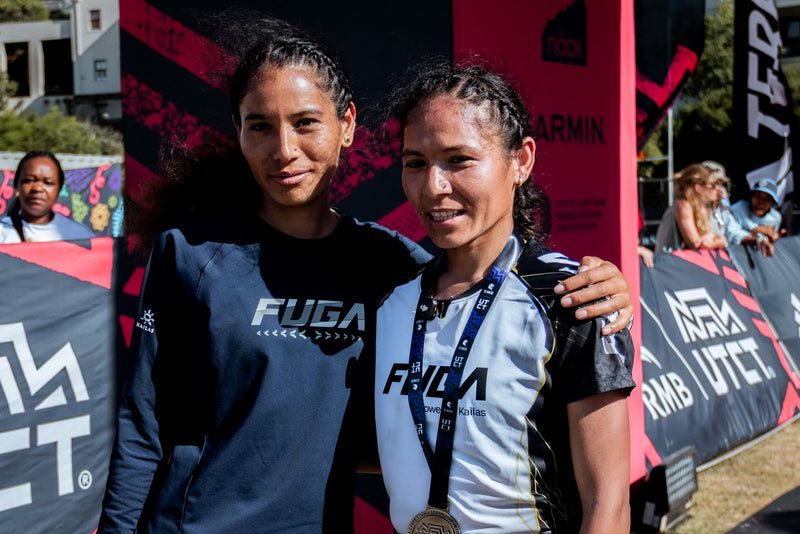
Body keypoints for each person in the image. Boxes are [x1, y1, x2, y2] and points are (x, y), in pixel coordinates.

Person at [98, 23, 634, 534]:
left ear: (347, 125)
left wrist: (608, 289)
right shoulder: (189, 255)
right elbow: (142, 428)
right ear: (238, 131)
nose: (284, 149)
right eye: (259, 125)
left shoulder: (394, 269)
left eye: (305, 122)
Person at [374, 64, 635, 534]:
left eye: (458, 159)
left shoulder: (572, 300)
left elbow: (608, 506)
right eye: (415, 163)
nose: (433, 186)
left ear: (521, 161)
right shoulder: (392, 299)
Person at [0, 150, 95, 243]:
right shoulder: (3, 233)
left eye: (48, 183)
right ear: (17, 185)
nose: (37, 188)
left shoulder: (80, 237)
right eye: (29, 180)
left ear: (59, 188)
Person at [654, 163, 725, 252]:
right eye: (713, 185)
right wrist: (720, 242)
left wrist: (715, 241)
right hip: (669, 259)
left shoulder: (701, 208)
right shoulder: (683, 206)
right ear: (698, 188)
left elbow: (708, 239)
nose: (718, 189)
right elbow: (696, 245)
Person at [730, 178, 785, 243]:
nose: (761, 202)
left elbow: (769, 240)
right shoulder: (738, 209)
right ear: (751, 197)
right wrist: (756, 230)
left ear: (772, 203)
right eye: (758, 197)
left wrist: (773, 238)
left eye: (766, 199)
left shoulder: (775, 217)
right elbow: (731, 236)